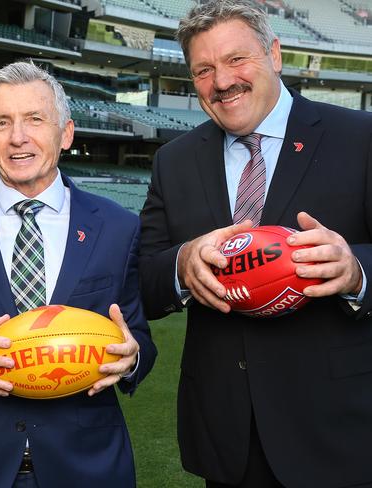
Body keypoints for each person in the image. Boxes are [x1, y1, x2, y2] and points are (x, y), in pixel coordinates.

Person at [138, 1, 372, 487]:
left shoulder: (359, 138)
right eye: (203, 70)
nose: (222, 82)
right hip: (227, 435)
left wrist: (355, 272)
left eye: (236, 60)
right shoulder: (174, 161)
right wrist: (182, 265)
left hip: (335, 430)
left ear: (275, 54)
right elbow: (141, 278)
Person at [0, 61, 157, 488]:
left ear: (66, 133)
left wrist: (131, 360)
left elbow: (139, 339)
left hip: (86, 466)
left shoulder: (117, 227)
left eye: (35, 119)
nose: (18, 137)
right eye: (3, 123)